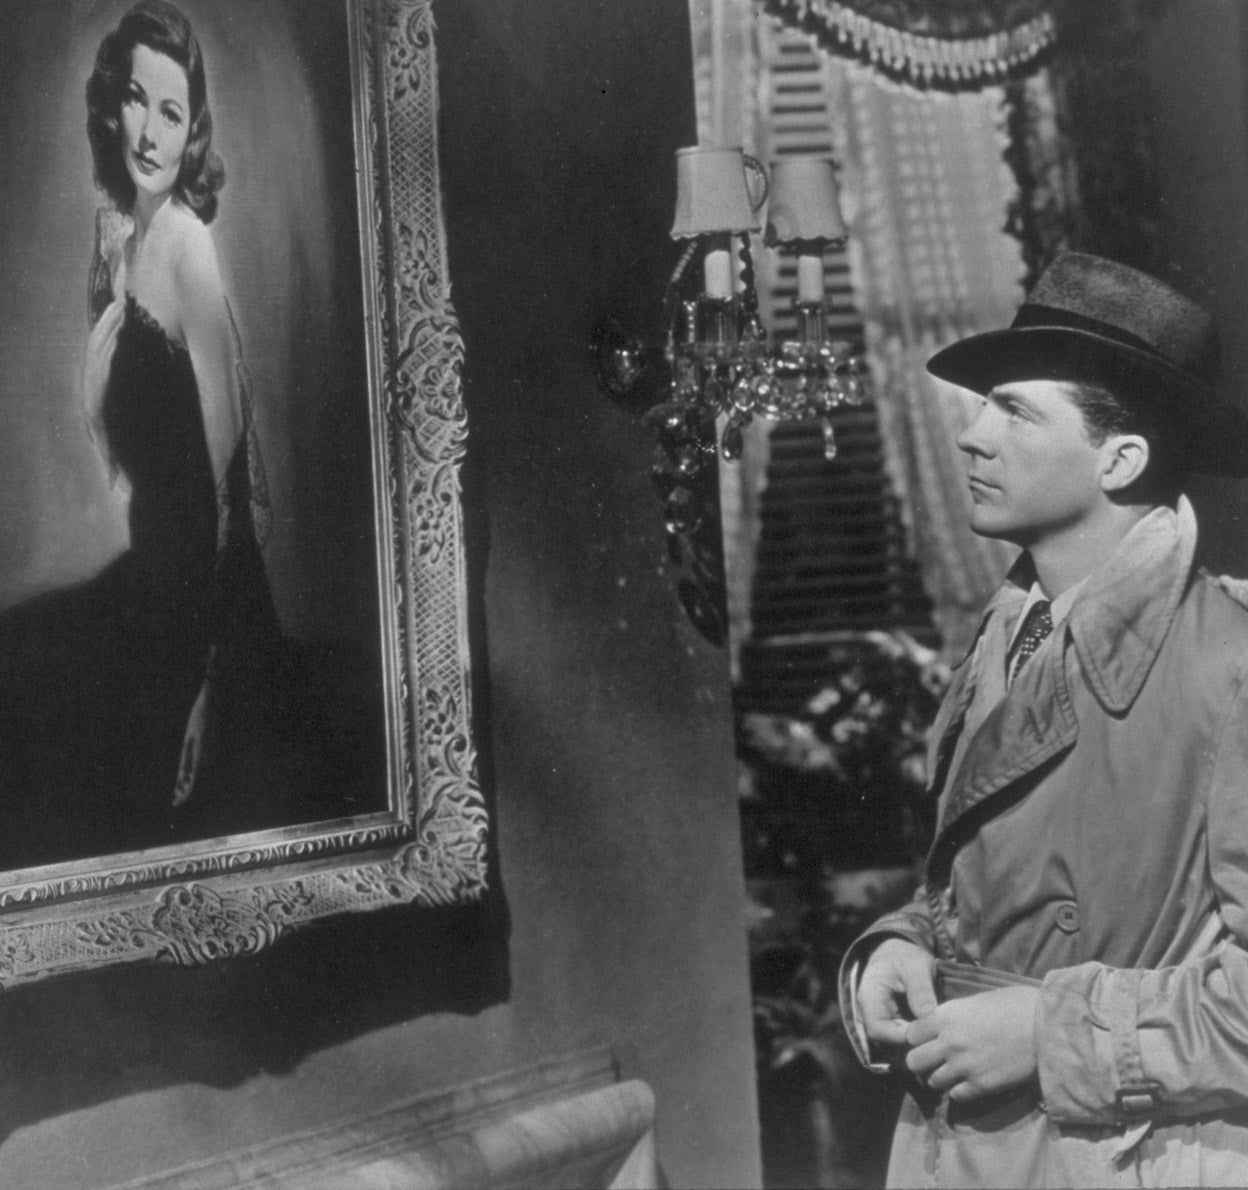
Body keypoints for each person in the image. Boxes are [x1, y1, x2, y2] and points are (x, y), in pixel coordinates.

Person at [840, 252, 1248, 1187]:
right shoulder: (1009, 635)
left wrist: (1048, 1034)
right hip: (965, 1142)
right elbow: (992, 884)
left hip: (1125, 1154)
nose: (971, 436)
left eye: (1015, 412)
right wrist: (905, 941)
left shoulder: (1228, 666)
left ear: (1121, 458)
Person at [0, 0, 296, 865]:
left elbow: (228, 489)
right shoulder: (119, 245)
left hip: (206, 610)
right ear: (111, 106)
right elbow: (135, 460)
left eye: (173, 111)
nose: (151, 131)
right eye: (137, 99)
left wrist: (207, 683)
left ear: (192, 130)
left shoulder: (187, 247)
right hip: (151, 588)